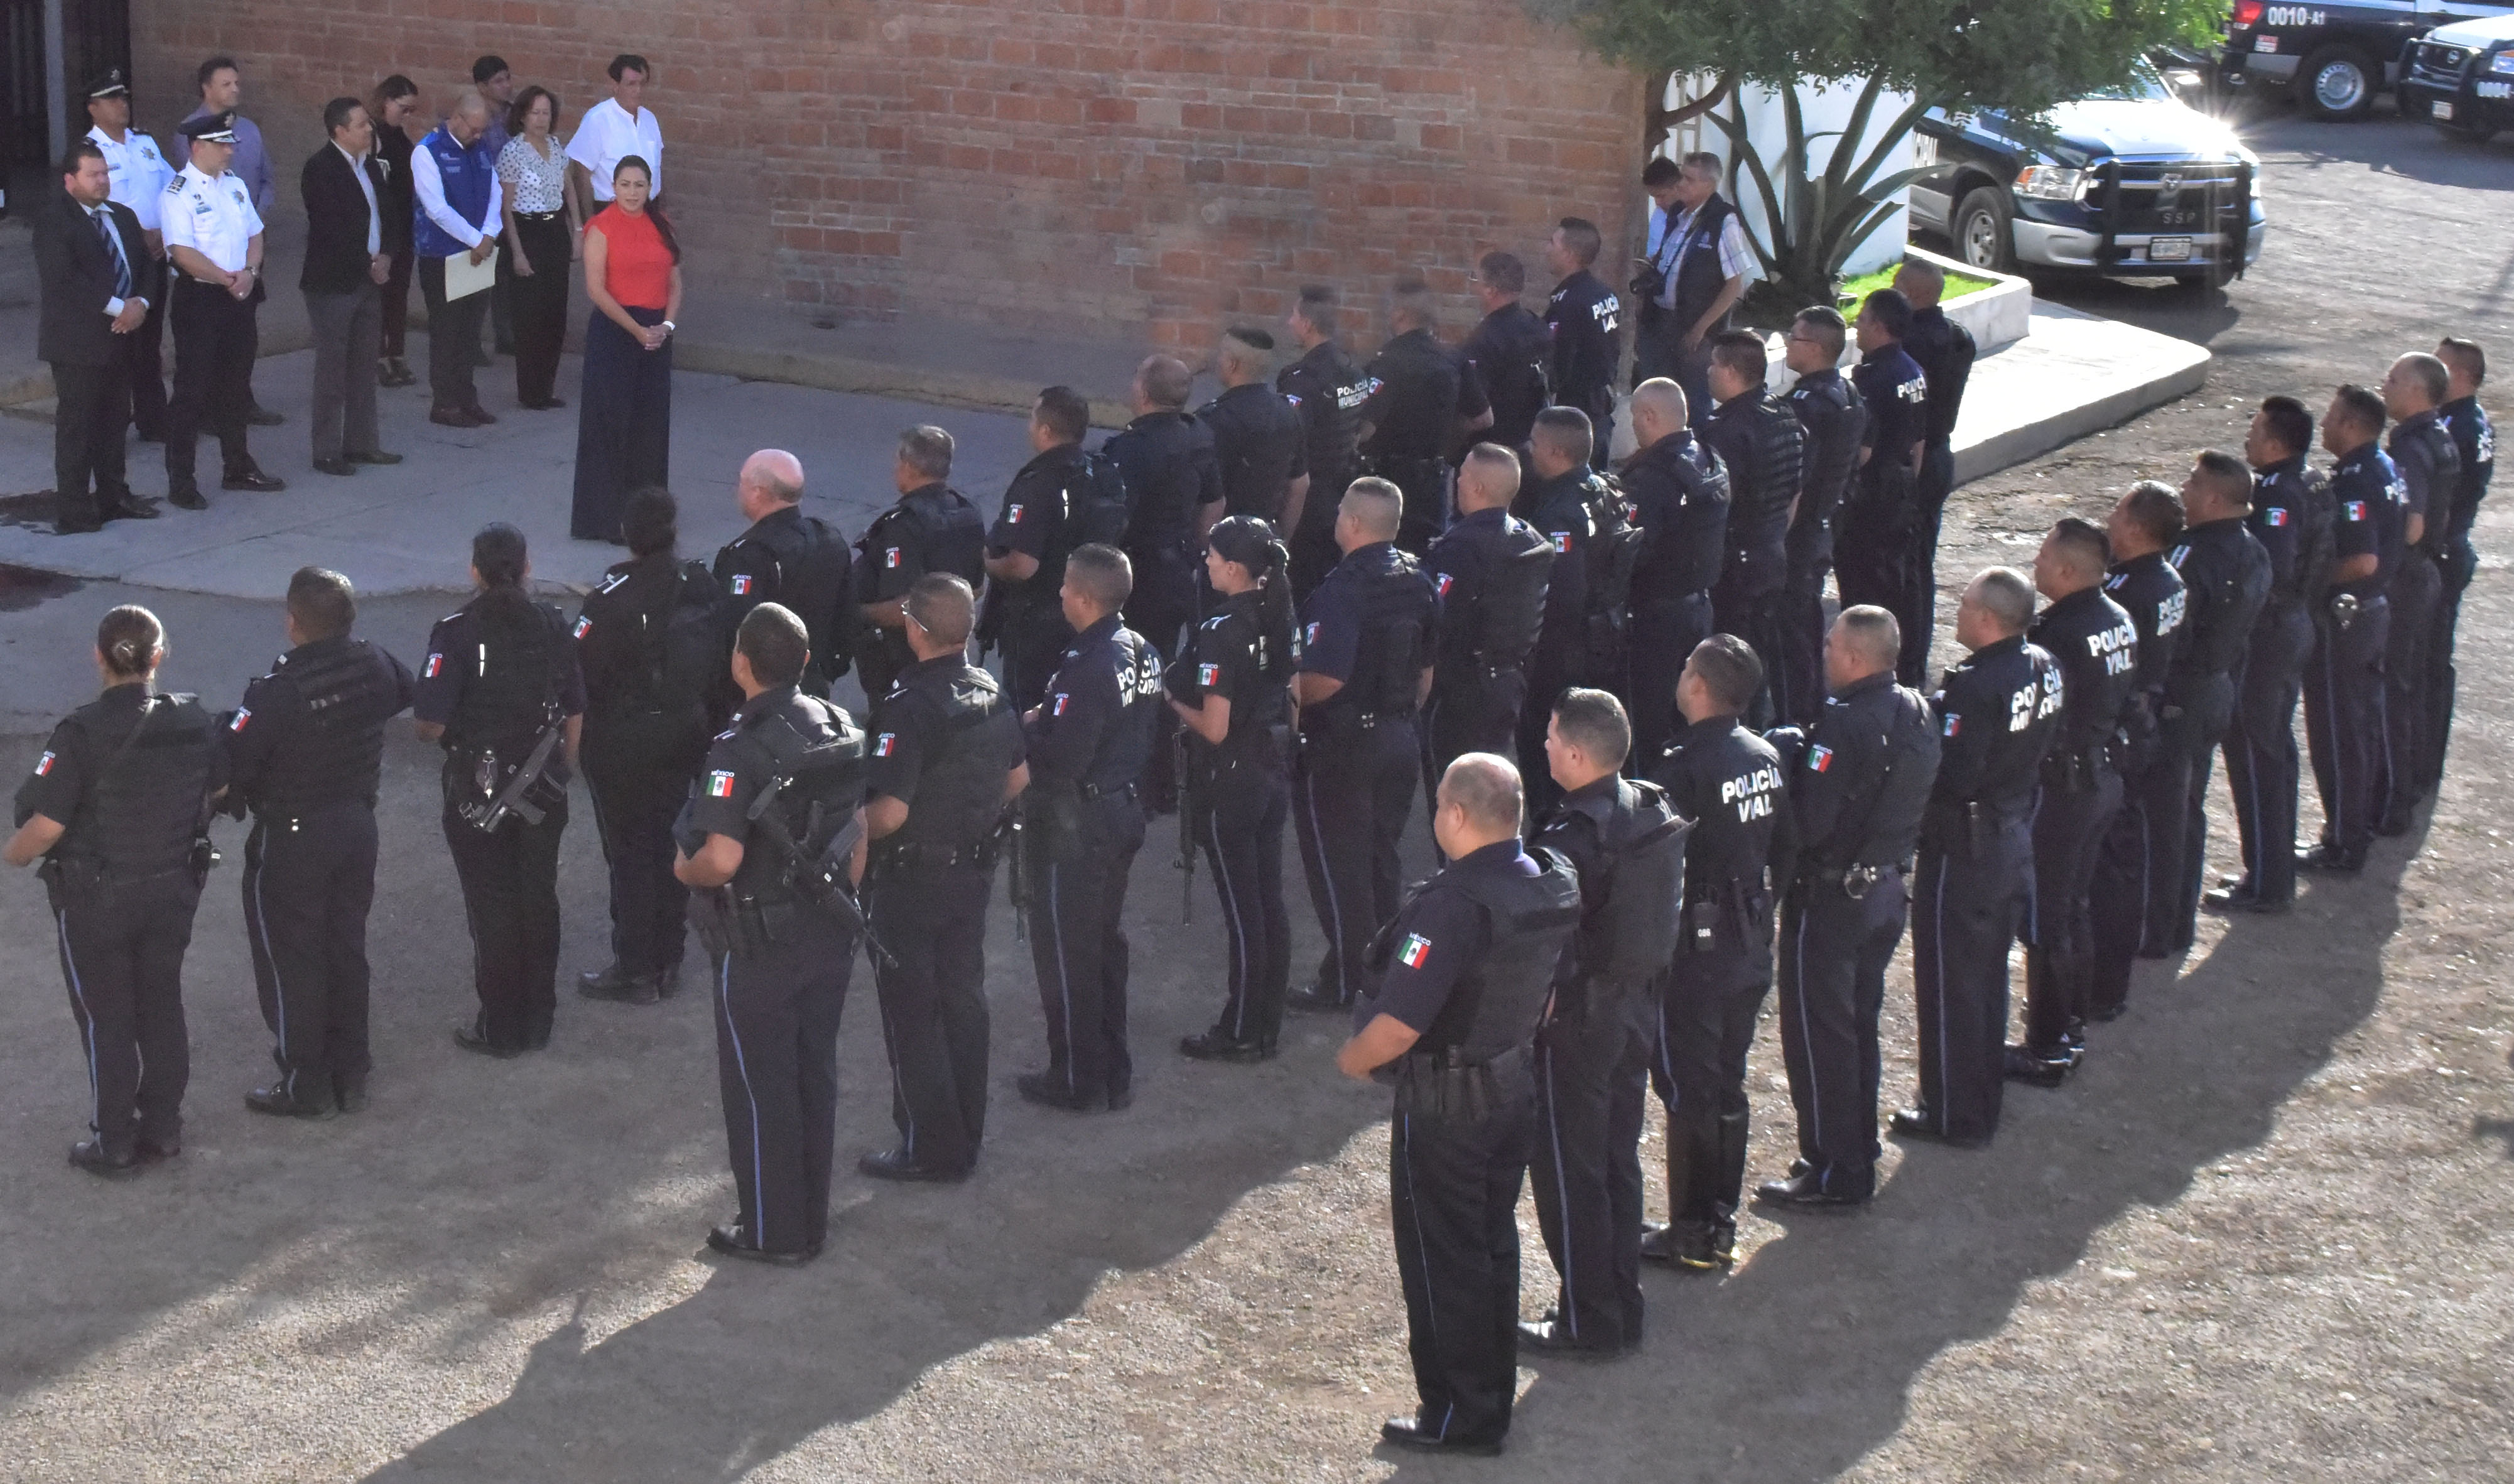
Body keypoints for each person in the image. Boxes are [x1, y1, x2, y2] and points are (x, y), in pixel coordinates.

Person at [1336, 753, 1581, 1457]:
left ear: (1458, 814)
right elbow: (1549, 993)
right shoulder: (1548, 879)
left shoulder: (1454, 906)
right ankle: (1488, 1398)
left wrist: (1355, 1060)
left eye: (1441, 801)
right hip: (1511, 1087)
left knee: (1442, 1258)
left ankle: (1458, 1414)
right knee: (1491, 1245)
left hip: (1447, 1106)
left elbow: (1399, 1023)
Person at [676, 603, 866, 1264]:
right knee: (814, 1072)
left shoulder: (737, 748)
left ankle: (772, 1231)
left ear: (740, 663)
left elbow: (720, 858)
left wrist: (683, 869)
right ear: (806, 661)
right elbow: (858, 832)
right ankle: (807, 1216)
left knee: (760, 1088)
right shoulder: (840, 724)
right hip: (829, 930)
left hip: (760, 941)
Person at [6, 607, 222, 1176]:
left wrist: (14, 854)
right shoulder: (195, 720)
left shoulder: (80, 733)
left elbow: (45, 826)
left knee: (108, 1018)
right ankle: (164, 1128)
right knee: (162, 1004)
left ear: (98, 657)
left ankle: (115, 1142)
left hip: (97, 900)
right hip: (173, 889)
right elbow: (220, 786)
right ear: (159, 656)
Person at [1524, 688, 1688, 1355]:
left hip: (1582, 1021)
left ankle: (1587, 1318)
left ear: (1574, 754)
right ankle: (1620, 1301)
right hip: (1637, 1007)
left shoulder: (1572, 837)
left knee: (1571, 1168)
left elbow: (1549, 944)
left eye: (1551, 736)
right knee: (1617, 1156)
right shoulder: (1650, 805)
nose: (1543, 744)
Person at [1761, 606, 1938, 1206]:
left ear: (1856, 658)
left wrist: (1789, 773)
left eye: (1831, 646)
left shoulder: (1843, 726)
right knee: (1858, 1025)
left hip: (1832, 901)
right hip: (1884, 891)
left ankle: (1834, 1168)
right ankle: (1855, 1148)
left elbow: (1811, 826)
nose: (1824, 653)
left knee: (1821, 1037)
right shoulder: (1916, 708)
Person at [221, 568, 415, 1117]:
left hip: (294, 838)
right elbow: (406, 693)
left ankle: (306, 1083)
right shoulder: (375, 662)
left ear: (293, 623)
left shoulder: (278, 692)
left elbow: (235, 763)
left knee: (293, 960)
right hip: (357, 825)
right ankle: (351, 1071)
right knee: (345, 947)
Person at [862, 575, 1027, 1180]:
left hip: (911, 881)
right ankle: (965, 1133)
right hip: (972, 872)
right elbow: (1017, 778)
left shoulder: (908, 707)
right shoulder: (992, 691)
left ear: (915, 629)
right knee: (962, 1000)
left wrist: (844, 828)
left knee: (912, 1013)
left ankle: (930, 1148)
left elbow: (889, 812)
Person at [1644, 642, 1792, 1267]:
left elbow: (1657, 867)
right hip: (1748, 935)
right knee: (1726, 1080)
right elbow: (1786, 848)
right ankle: (1719, 1219)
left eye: (1685, 668)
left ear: (1699, 686)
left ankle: (1692, 1230)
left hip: (1696, 949)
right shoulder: (1765, 755)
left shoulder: (1683, 767)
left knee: (1688, 1087)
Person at [1897, 569, 2057, 1147]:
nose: (1957, 611)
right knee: (1986, 977)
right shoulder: (2043, 663)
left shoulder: (1975, 685)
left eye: (1964, 605)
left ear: (1988, 619)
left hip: (1963, 849)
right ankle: (1979, 1094)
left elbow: (1954, 773)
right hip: (2011, 833)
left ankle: (1954, 1112)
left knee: (1951, 981)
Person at [414, 524, 586, 1056]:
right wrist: (563, 767)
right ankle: (539, 1018)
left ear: (475, 570)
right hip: (544, 789)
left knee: (491, 906)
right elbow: (575, 705)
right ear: (527, 567)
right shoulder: (553, 622)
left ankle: (501, 1026)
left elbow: (430, 723)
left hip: (477, 791)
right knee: (538, 897)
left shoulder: (456, 632)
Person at [1015, 544, 1161, 1112]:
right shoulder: (1141, 649)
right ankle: (1111, 1067)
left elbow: (1061, 762)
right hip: (1121, 806)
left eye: (1065, 587)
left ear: (1082, 598)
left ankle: (1077, 1077)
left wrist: (1029, 730)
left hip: (1079, 823)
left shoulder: (1088, 667)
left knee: (1067, 951)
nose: (1059, 594)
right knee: (1102, 943)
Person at [1287, 480, 1437, 1012]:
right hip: (1399, 735)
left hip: (1344, 746)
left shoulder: (1343, 590)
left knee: (1338, 871)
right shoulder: (1418, 580)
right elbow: (1425, 673)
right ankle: (1366, 970)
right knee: (1379, 862)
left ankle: (1356, 983)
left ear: (1351, 523)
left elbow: (1326, 677)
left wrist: (1287, 701)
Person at [575, 487, 718, 1006]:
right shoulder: (698, 582)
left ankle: (636, 966)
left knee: (630, 852)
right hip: (684, 731)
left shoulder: (610, 598)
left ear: (627, 535)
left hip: (625, 741)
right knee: (670, 840)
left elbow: (579, 671)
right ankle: (668, 957)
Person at [2009, 517, 2138, 1088]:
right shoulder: (2116, 616)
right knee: (2075, 908)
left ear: (2066, 569)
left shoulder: (2057, 635)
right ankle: (2071, 1021)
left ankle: (2046, 1045)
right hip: (2101, 775)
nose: (2035, 564)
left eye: (2043, 556)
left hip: (2063, 791)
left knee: (2046, 918)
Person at [1171, 517, 1298, 1061]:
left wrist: (1171, 701)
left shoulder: (1222, 629)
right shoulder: (1280, 613)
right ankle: (1266, 1022)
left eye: (1212, 556)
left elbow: (1215, 727)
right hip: (1273, 765)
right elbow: (1293, 692)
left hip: (1232, 779)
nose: (1205, 562)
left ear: (1233, 567)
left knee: (1245, 912)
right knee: (1268, 902)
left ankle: (1242, 1030)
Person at [2208, 399, 2331, 916]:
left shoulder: (2277, 494)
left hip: (2270, 634)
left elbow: (2270, 569)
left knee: (2255, 754)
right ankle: (2272, 866)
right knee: (2274, 747)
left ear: (2277, 442)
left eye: (2255, 429)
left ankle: (2265, 880)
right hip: (2297, 623)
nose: (2248, 437)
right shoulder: (2311, 481)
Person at [2160, 453, 2272, 952]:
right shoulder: (2254, 549)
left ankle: (2161, 925)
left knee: (2166, 813)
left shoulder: (2191, 556)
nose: (2183, 489)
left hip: (2183, 694)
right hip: (2218, 688)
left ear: (2211, 498)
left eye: (2191, 482)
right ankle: (2177, 921)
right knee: (2189, 808)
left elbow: (2173, 634)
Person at [2084, 482, 2187, 1022]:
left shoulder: (2126, 592)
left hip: (2122, 730)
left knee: (2110, 863)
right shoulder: (2168, 577)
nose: (2110, 518)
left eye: (2118, 511)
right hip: (2149, 715)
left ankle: (2103, 980)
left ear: (2136, 528)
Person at [2297, 386, 2404, 875]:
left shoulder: (2356, 480)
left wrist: (2310, 580)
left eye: (2331, 416)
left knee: (2338, 734)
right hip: (2372, 612)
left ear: (2350, 425)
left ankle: (2343, 840)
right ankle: (2357, 826)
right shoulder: (2382, 466)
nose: (2323, 424)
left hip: (2347, 619)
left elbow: (2362, 560)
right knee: (2360, 726)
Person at [160, 113, 284, 510]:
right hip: (201, 299)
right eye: (222, 144)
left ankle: (238, 466)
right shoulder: (177, 193)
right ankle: (181, 479)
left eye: (230, 143)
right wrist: (225, 278)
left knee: (236, 385)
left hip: (240, 295)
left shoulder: (234, 185)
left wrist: (249, 272)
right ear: (198, 147)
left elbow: (255, 233)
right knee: (192, 392)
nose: (230, 151)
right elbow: (182, 252)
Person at [36, 141, 158, 534]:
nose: (103, 181)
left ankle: (113, 495)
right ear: (70, 180)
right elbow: (64, 280)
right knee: (79, 427)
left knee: (115, 420)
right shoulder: (55, 221)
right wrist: (118, 307)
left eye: (105, 173)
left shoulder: (122, 216)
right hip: (77, 344)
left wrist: (141, 303)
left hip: (122, 338)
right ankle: (74, 508)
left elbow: (147, 266)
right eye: (93, 175)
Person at [1424, 443, 1554, 795]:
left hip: (1463, 692)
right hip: (1510, 683)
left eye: (1464, 476)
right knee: (1489, 786)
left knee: (1454, 792)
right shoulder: (1530, 541)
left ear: (1478, 488)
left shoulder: (1462, 549)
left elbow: (1437, 617)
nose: (1458, 481)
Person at [1618, 377, 1730, 764]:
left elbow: (1634, 551)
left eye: (1636, 417)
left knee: (1647, 722)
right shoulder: (1709, 460)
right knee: (1690, 717)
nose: (1634, 425)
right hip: (1699, 607)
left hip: (1656, 618)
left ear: (1650, 416)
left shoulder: (1653, 477)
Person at [571, 156, 681, 541]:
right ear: (613, 187)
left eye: (639, 185)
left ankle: (649, 518)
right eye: (625, 185)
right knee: (610, 424)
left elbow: (674, 281)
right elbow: (596, 289)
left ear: (650, 188)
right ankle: (604, 519)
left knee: (650, 425)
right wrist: (636, 330)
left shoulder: (661, 224)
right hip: (616, 331)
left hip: (656, 334)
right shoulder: (600, 227)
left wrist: (666, 326)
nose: (632, 193)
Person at [2375, 352, 2460, 833]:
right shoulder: (2441, 436)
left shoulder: (2408, 446)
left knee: (2391, 688)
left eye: (2392, 378)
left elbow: (2412, 526)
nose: (2383, 385)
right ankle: (2406, 787)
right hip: (2428, 572)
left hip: (2406, 578)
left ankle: (2392, 802)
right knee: (2410, 684)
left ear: (2415, 390)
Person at [1700, 329, 1806, 717]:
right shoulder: (1785, 414)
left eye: (1713, 364)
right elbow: (1795, 491)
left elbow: (1717, 505)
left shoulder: (1726, 430)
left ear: (1730, 371)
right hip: (1772, 553)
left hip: (1737, 565)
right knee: (1758, 655)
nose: (1708, 371)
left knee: (1728, 667)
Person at [173, 57, 281, 428]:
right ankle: (207, 409)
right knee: (206, 344)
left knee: (243, 333)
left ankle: (240, 401)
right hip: (210, 254)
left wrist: (255, 221)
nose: (235, 89)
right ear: (207, 89)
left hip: (247, 243)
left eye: (237, 82)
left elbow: (267, 179)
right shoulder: (191, 132)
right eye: (226, 84)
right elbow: (193, 189)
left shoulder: (249, 130)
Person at [984, 386, 1105, 710]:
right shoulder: (1099, 471)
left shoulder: (1038, 483)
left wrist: (988, 563)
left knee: (1030, 709)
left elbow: (1022, 565)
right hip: (1091, 612)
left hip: (1038, 622)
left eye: (1033, 419)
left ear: (1046, 430)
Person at [1512, 408, 1606, 819]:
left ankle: (1552, 826)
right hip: (1601, 638)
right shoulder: (1604, 490)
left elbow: (1562, 595)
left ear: (1556, 452)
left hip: (1560, 653)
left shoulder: (1558, 513)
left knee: (1546, 748)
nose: (1529, 450)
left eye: (1535, 442)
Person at [299, 97, 399, 479]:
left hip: (370, 279)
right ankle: (326, 450)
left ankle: (362, 442)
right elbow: (330, 227)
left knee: (363, 365)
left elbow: (388, 213)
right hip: (334, 283)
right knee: (333, 368)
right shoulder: (320, 169)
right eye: (361, 125)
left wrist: (386, 255)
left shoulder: (370, 165)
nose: (369, 130)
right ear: (340, 131)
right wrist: (367, 263)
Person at [1105, 354, 1222, 678]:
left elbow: (1115, 520)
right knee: (1162, 659)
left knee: (1125, 663)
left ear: (1144, 394)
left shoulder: (1131, 448)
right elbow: (1214, 501)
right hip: (1179, 569)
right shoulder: (1199, 435)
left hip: (1140, 576)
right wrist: (1196, 549)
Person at [1835, 289, 1931, 685]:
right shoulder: (1913, 371)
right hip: (1902, 488)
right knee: (1899, 584)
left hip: (1872, 496)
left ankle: (1864, 670)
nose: (1857, 327)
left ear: (1878, 326)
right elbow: (1919, 442)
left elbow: (1863, 451)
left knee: (1863, 586)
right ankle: (1904, 666)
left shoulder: (1871, 379)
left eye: (1862, 319)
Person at [1892, 258, 1978, 686]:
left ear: (1912, 294)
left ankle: (1906, 662)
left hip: (1918, 459)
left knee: (1906, 567)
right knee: (1921, 562)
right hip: (1942, 455)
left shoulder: (1911, 345)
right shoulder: (1959, 337)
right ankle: (1915, 655)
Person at [854, 425, 988, 700]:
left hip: (905, 663)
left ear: (909, 466)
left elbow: (904, 608)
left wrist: (858, 613)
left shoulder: (905, 525)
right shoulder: (967, 511)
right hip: (952, 658)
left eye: (898, 460)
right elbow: (976, 588)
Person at [1359, 278, 1492, 553]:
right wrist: (1449, 436)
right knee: (1428, 553)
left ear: (1400, 314)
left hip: (1389, 480)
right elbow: (1484, 418)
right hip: (1434, 480)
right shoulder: (1453, 358)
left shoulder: (1389, 361)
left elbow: (1365, 429)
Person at [1779, 306, 1865, 726]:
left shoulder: (1808, 406)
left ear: (1814, 347)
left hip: (1800, 533)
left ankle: (1798, 719)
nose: (1787, 343)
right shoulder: (1847, 394)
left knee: (1791, 632)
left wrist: (1779, 537)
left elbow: (1796, 482)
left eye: (1794, 336)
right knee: (1807, 624)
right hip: (1825, 524)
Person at [714, 450, 853, 698]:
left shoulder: (750, 555)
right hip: (814, 684)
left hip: (759, 693)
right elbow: (848, 615)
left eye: (742, 481)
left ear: (758, 492)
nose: (737, 489)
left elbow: (735, 629)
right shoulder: (829, 540)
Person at [83, 69, 174, 443]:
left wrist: (165, 232)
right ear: (93, 108)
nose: (122, 104)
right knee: (117, 343)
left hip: (155, 253)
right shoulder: (89, 152)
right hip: (117, 257)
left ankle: (153, 419)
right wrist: (139, 234)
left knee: (149, 341)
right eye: (111, 99)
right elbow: (93, 205)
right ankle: (111, 424)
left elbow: (171, 187)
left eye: (123, 97)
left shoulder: (144, 143)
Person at [1632, 154, 1753, 427]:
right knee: (1657, 394)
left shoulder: (1723, 220)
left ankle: (1697, 449)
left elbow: (1735, 283)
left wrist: (1701, 328)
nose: (1681, 184)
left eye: (1689, 179)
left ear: (1708, 185)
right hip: (1659, 319)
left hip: (1694, 326)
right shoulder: (1678, 214)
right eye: (1681, 176)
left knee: (1694, 399)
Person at [411, 91, 503, 429]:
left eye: (482, 130)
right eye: (474, 129)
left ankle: (467, 398)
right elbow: (436, 209)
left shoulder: (481, 149)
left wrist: (489, 234)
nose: (478, 135)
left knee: (470, 331)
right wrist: (476, 240)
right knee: (447, 331)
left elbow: (495, 193)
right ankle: (445, 403)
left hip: (479, 253)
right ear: (457, 118)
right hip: (442, 255)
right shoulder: (428, 151)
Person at [2426, 338, 2492, 791]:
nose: (2434, 370)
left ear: (2463, 376)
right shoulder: (2477, 420)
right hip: (2458, 546)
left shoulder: (2451, 426)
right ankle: (2428, 760)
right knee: (2437, 663)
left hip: (2444, 551)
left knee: (2426, 665)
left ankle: (2422, 762)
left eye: (2441, 365)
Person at [1279, 286, 1368, 597]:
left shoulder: (1302, 379)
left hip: (1310, 500)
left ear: (1307, 324)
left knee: (1302, 586)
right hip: (1343, 490)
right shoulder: (1354, 372)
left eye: (1294, 316)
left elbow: (1291, 440)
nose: (1289, 322)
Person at [498, 85, 577, 411]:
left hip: (555, 230)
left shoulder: (556, 146)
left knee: (555, 312)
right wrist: (517, 252)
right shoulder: (512, 152)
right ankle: (529, 390)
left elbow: (569, 188)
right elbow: (506, 208)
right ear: (522, 116)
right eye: (535, 113)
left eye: (546, 113)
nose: (541, 119)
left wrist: (578, 229)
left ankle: (546, 387)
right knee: (530, 314)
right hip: (526, 231)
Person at [1198, 327, 1309, 534]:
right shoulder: (1288, 413)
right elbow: (1299, 485)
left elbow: (1210, 499)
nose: (1217, 360)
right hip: (1267, 535)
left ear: (1232, 364)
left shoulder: (1215, 419)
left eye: (1221, 353)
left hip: (1226, 539)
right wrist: (1283, 539)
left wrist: (1207, 547)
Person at [1542, 217, 1622, 470]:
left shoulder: (1569, 302)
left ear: (1569, 254)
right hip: (1602, 407)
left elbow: (1558, 363)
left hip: (1577, 414)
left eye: (1552, 243)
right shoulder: (1604, 294)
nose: (1547, 249)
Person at [1462, 251, 1550, 452]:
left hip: (1493, 449)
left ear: (1491, 290)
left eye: (1476, 279)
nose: (1474, 286)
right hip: (1534, 443)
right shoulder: (1538, 325)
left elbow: (1475, 407)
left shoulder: (1485, 339)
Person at [371, 76, 422, 389]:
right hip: (381, 225)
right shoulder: (373, 136)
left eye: (411, 110)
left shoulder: (400, 137)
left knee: (398, 293)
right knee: (379, 292)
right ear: (386, 102)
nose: (407, 116)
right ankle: (377, 355)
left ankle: (397, 352)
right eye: (403, 108)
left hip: (403, 223)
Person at [566, 54, 663, 217]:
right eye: (631, 84)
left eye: (642, 84)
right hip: (610, 212)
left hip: (648, 211)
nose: (638, 90)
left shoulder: (650, 119)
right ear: (615, 85)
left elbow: (658, 171)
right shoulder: (597, 119)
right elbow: (582, 175)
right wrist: (589, 222)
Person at [472, 56, 519, 360]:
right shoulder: (476, 117)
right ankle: (471, 341)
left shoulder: (514, 115)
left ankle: (506, 335)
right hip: (482, 205)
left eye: (507, 78)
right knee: (478, 277)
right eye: (498, 81)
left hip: (509, 205)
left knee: (506, 275)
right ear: (482, 87)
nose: (506, 86)